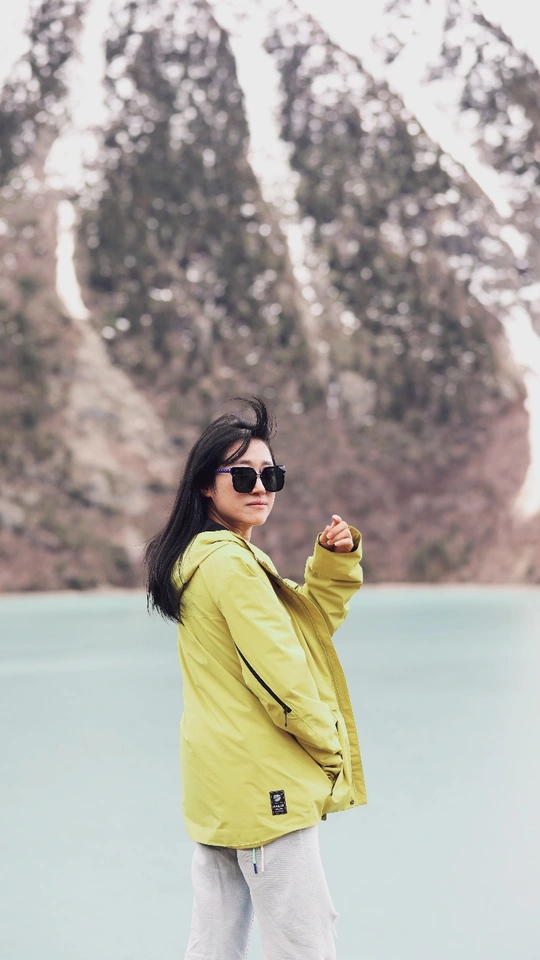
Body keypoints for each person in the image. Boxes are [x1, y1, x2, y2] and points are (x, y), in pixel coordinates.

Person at [145, 396, 367, 960]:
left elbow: (300, 635)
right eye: (243, 476)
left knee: (213, 946)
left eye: (271, 475)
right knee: (305, 944)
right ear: (206, 484)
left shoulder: (200, 560)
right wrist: (331, 753)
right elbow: (284, 683)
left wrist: (332, 565)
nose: (261, 487)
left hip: (219, 790)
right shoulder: (232, 565)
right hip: (267, 789)